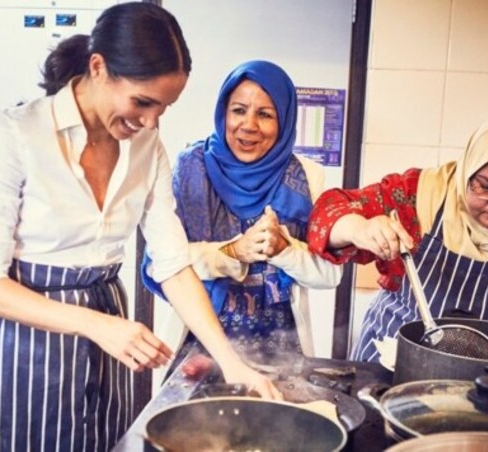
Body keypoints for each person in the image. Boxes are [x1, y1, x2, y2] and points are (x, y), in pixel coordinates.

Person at [0, 4, 280, 451]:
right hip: (20, 341)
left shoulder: (146, 147)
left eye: (163, 108)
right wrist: (98, 326)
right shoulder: (16, 135)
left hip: (106, 328)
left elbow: (173, 263)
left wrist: (233, 363)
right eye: (142, 102)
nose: (150, 122)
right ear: (98, 67)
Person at [307, 117, 488, 363]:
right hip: (394, 360)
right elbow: (328, 211)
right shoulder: (415, 194)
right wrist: (359, 228)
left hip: (487, 377)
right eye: (485, 186)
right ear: (467, 172)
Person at [142, 60, 342, 360]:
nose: (248, 125)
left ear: (285, 121)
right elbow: (160, 265)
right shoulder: (190, 168)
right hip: (200, 345)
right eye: (238, 110)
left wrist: (284, 249)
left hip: (281, 348)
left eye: (265, 114)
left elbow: (329, 275)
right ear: (224, 112)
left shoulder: (307, 176)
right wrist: (234, 251)